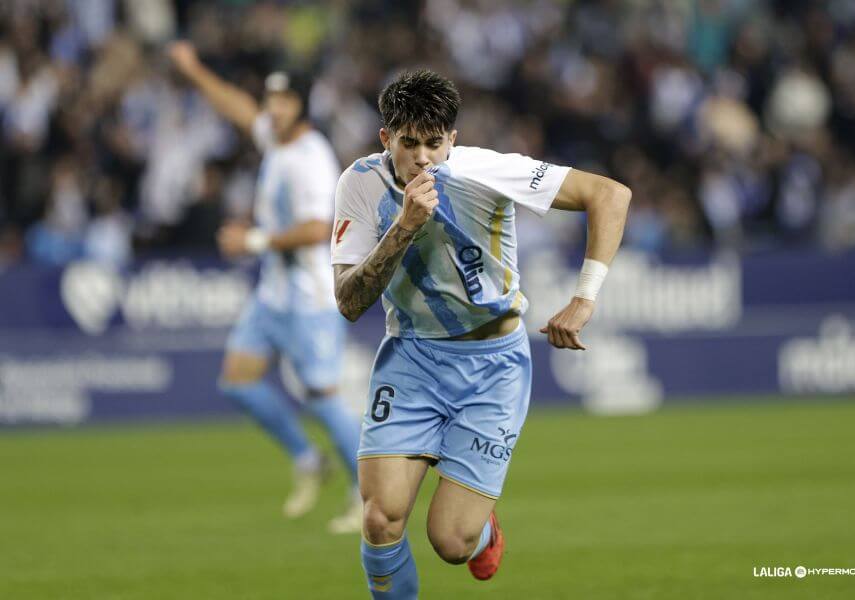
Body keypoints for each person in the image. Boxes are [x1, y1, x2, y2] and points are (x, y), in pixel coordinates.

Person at [331, 69, 631, 597]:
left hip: (492, 364)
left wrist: (584, 298)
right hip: (412, 357)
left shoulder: (486, 171)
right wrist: (403, 228)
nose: (422, 158)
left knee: (450, 541)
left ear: (453, 139)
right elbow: (349, 302)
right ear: (386, 139)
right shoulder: (359, 184)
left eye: (433, 143)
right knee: (380, 519)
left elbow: (609, 194)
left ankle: (482, 530)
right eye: (408, 143)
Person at [168, 41, 361, 533]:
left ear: (302, 107)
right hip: (275, 293)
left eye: (283, 102)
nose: (272, 110)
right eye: (271, 101)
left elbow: (320, 228)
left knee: (320, 395)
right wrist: (194, 69)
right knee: (237, 381)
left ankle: (369, 494)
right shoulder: (278, 139)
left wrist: (254, 239)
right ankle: (308, 458)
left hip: (311, 297)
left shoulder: (311, 157)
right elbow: (239, 107)